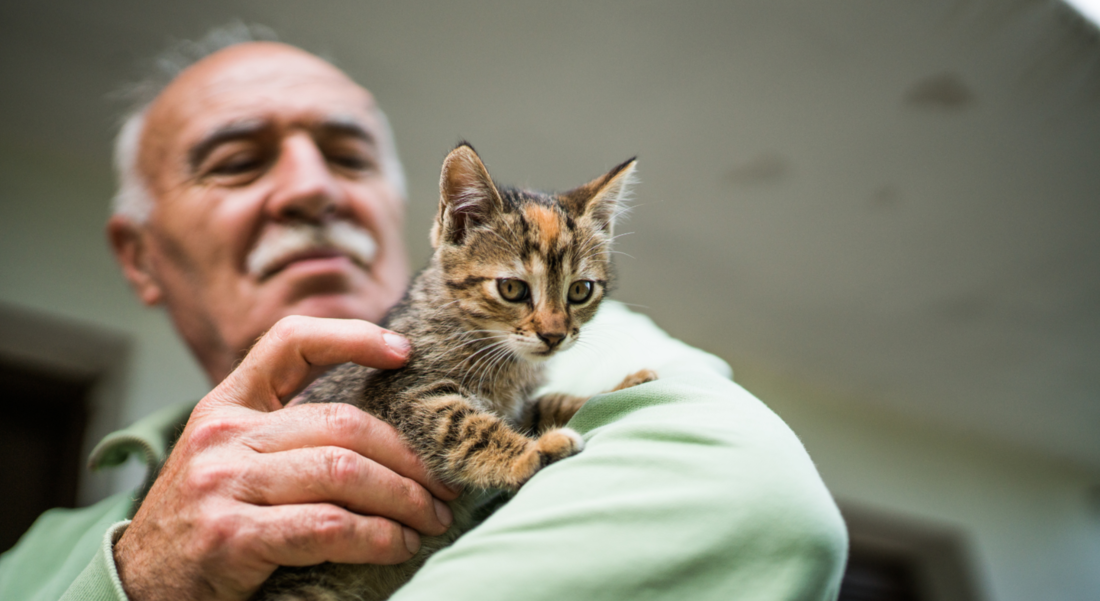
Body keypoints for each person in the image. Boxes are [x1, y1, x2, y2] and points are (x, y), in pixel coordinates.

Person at [0, 27, 848, 601]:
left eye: (349, 153)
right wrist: (137, 575)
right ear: (140, 256)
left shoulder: (576, 351)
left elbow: (757, 505)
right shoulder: (32, 559)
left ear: (429, 213)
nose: (311, 188)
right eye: (236, 161)